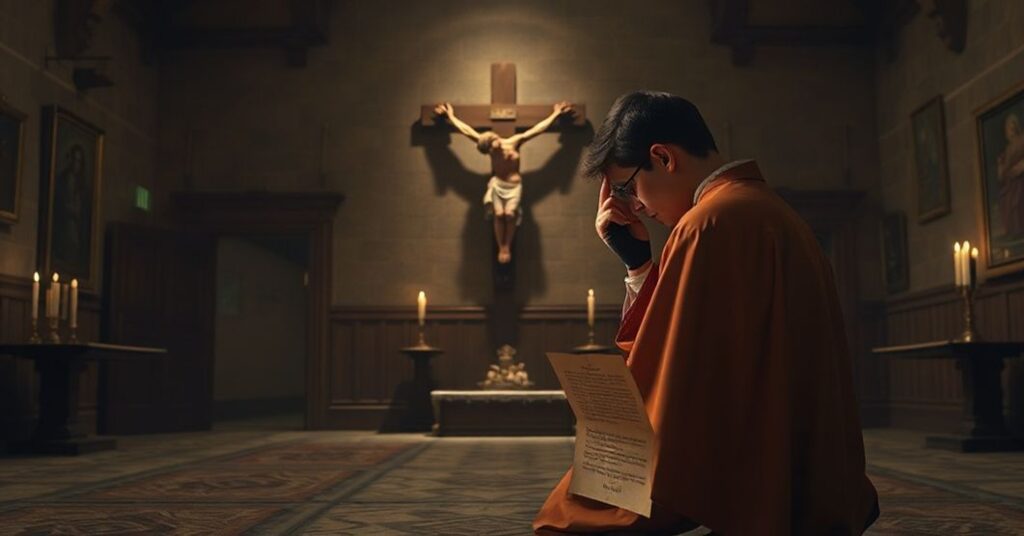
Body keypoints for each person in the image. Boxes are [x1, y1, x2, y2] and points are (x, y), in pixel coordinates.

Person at [534, 91, 879, 535]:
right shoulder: (771, 212)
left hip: (749, 474)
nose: (631, 207)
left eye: (625, 188)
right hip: (802, 482)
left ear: (663, 157)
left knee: (564, 521)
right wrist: (639, 264)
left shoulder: (705, 225)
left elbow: (672, 379)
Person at [434, 101, 574, 263]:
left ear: (496, 139)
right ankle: (503, 246)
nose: (497, 148)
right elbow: (467, 131)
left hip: (514, 186)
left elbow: (537, 130)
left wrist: (555, 114)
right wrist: (451, 116)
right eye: (492, 150)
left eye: (497, 144)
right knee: (499, 215)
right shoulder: (488, 147)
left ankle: (507, 243)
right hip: (498, 185)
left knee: (510, 214)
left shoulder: (513, 142)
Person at [997, 112, 1024, 239]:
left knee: (1017, 199)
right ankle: (1014, 232)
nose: (1011, 129)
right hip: (1010, 182)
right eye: (1008, 127)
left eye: (1013, 125)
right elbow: (1004, 172)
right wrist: (1001, 167)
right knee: (1006, 199)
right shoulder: (1007, 149)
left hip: (1020, 179)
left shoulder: (1022, 139)